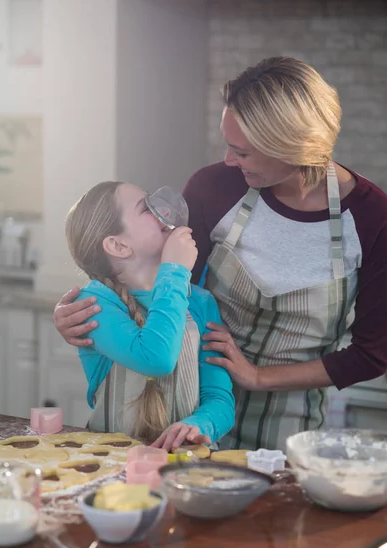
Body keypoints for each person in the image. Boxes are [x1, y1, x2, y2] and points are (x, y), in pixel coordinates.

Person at [54, 57, 387, 452]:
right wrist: (76, 314)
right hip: (180, 421)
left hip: (286, 429)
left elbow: (371, 354)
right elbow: (156, 290)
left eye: (242, 152)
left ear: (291, 147)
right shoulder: (216, 188)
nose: (229, 160)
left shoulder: (372, 218)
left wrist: (258, 377)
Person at [63, 180, 235, 451]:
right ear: (118, 246)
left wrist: (199, 425)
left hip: (184, 469)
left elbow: (219, 398)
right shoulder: (94, 305)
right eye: (146, 208)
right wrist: (175, 270)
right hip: (111, 468)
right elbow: (156, 358)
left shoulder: (200, 302)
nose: (163, 211)